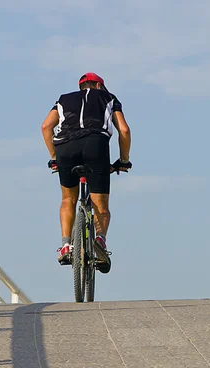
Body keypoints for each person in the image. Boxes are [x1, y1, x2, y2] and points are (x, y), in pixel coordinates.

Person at [41, 72, 132, 274]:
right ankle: (99, 241)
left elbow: (46, 126)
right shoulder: (109, 98)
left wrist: (54, 157)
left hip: (65, 147)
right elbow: (124, 131)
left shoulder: (64, 99)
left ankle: (66, 245)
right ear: (100, 86)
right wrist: (123, 161)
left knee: (68, 199)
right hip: (95, 145)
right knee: (101, 205)